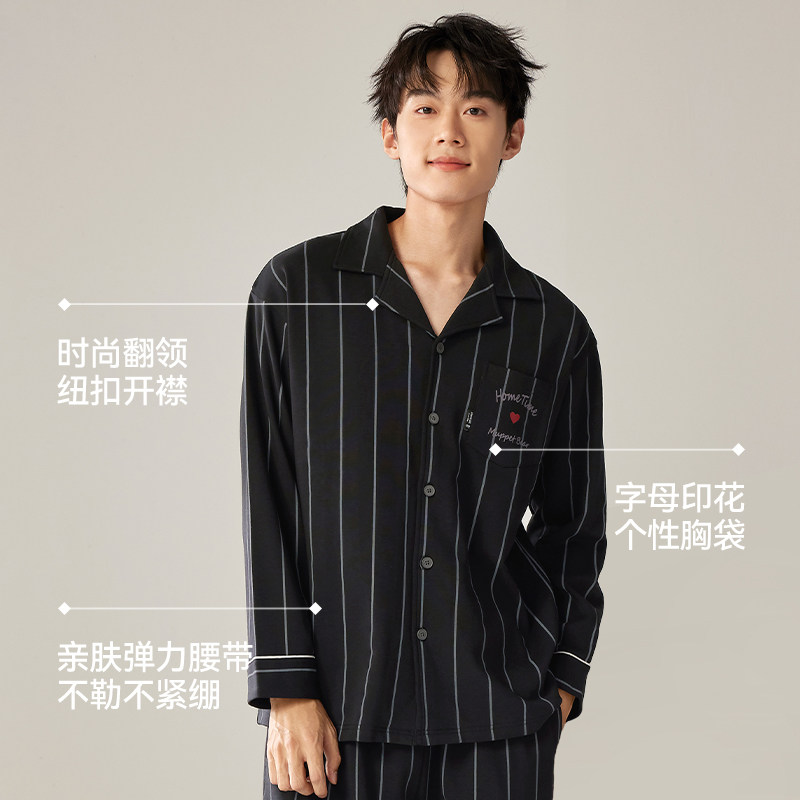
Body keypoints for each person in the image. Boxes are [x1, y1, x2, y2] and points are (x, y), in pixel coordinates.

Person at [239, 12, 607, 799]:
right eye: (425, 107)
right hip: (335, 720)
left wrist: (560, 683)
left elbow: (574, 526)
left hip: (497, 728)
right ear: (389, 135)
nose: (449, 130)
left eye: (476, 107)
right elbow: (269, 497)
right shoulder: (297, 292)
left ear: (512, 137)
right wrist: (287, 691)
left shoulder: (555, 330)